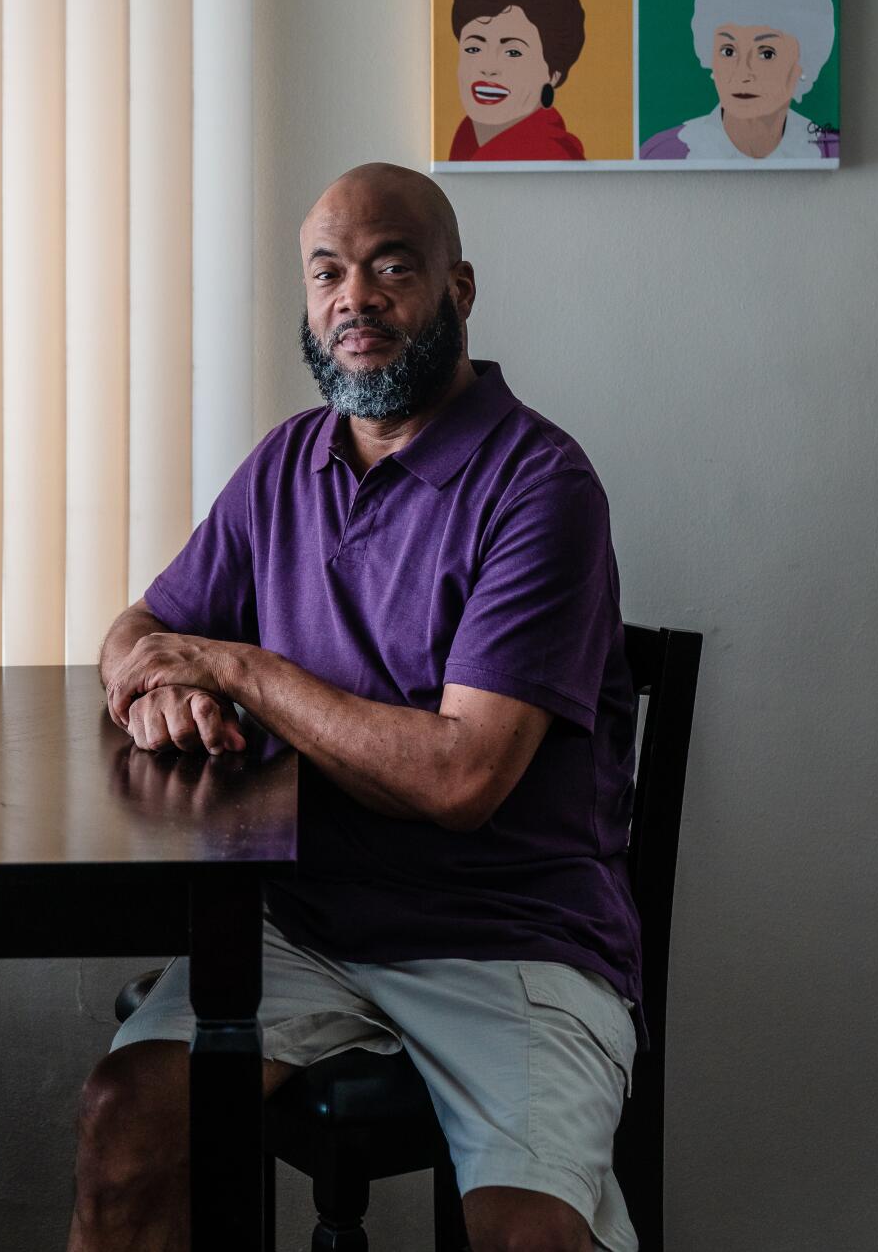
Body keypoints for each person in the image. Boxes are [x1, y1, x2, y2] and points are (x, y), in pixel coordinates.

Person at [68, 163, 641, 1252]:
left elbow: (461, 777)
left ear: (459, 288)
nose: (355, 298)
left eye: (391, 266)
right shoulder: (286, 462)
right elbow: (140, 627)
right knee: (124, 1125)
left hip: (510, 940)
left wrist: (235, 670)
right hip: (307, 927)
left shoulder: (543, 485)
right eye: (328, 272)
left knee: (530, 1239)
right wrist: (151, 691)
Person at [640, 0, 839, 162]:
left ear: (804, 63)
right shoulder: (664, 152)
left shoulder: (830, 149)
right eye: (728, 51)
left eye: (767, 54)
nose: (743, 73)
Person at [448, 0, 587, 161]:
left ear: (553, 74)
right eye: (474, 48)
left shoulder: (550, 154)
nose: (488, 67)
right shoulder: (465, 141)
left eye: (513, 52)